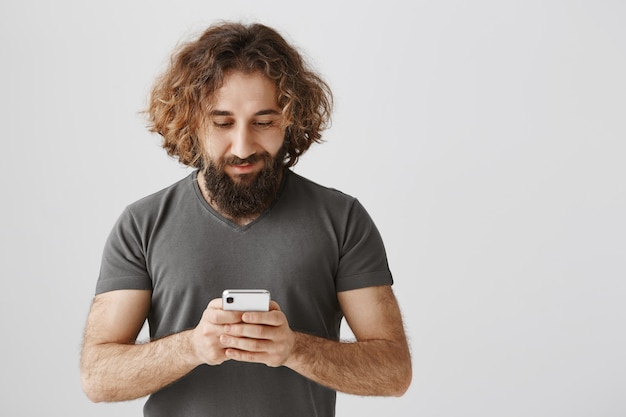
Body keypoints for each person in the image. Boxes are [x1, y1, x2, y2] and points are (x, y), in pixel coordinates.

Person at [80, 21, 412, 417]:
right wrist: (192, 346)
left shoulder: (342, 219)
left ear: (291, 120)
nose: (242, 146)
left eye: (263, 122)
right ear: (191, 121)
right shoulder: (141, 224)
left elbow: (394, 371)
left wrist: (294, 349)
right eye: (222, 123)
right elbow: (97, 378)